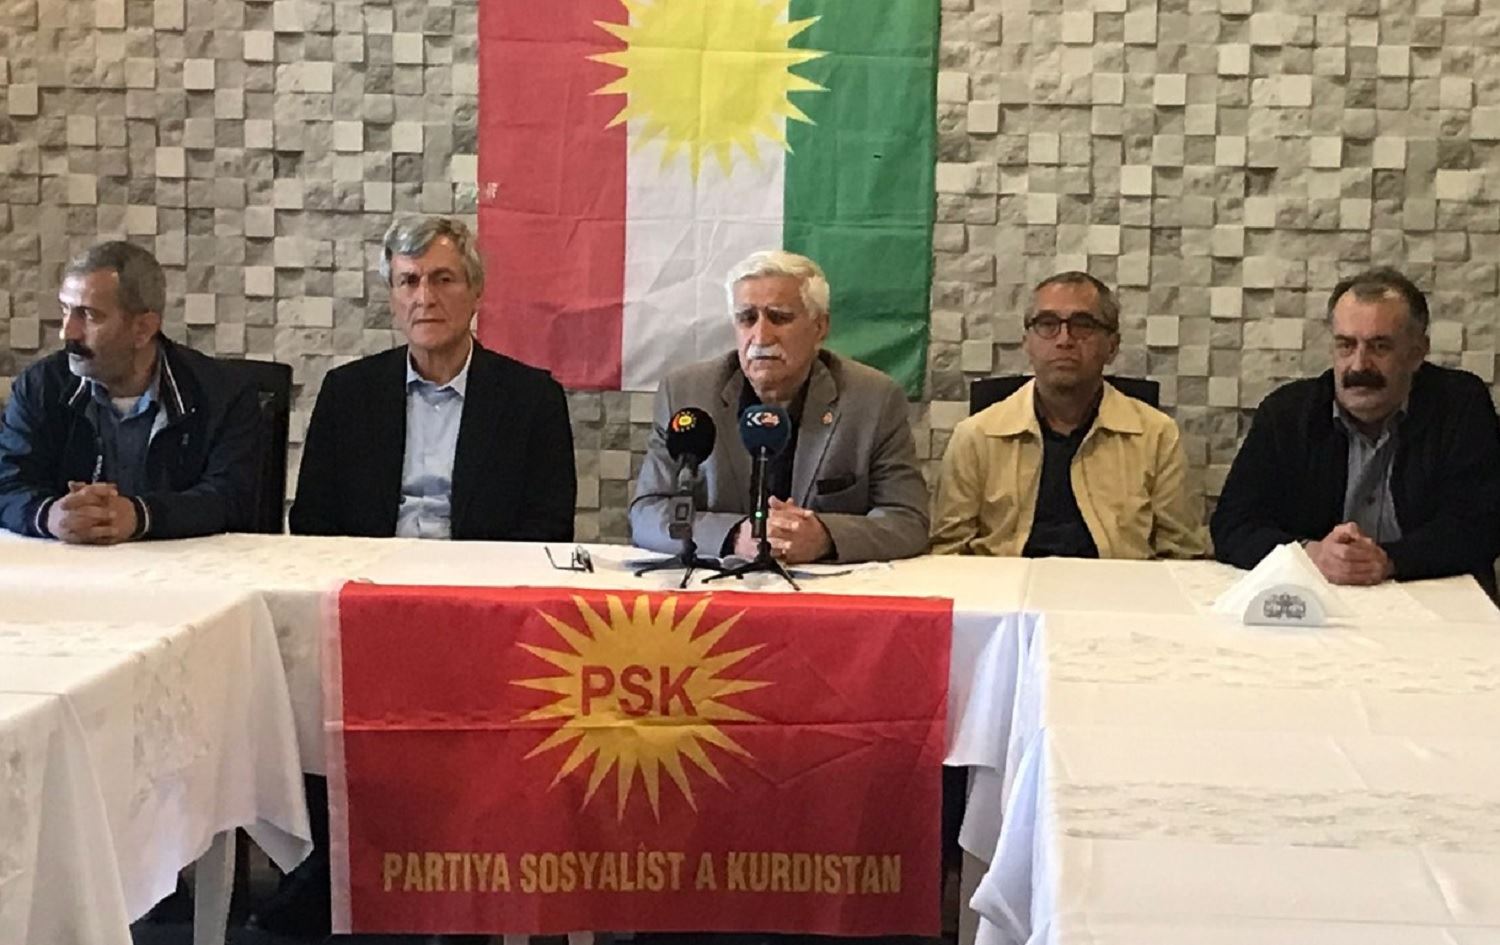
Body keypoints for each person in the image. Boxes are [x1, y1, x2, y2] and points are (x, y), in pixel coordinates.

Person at [629, 250, 929, 564]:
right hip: (718, 585)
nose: (761, 336)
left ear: (820, 327)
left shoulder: (873, 399)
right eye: (747, 318)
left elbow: (908, 521)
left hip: (823, 587)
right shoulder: (687, 393)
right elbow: (647, 513)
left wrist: (825, 536)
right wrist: (733, 536)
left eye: (780, 317)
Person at [290, 215, 576, 541]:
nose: (425, 298)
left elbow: (550, 529)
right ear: (392, 298)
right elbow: (312, 520)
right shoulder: (346, 393)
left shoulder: (533, 400)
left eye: (443, 279)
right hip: (370, 568)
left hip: (479, 571)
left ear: (477, 293)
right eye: (409, 281)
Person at [1212, 266, 1500, 589]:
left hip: (1432, 596)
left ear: (1416, 353)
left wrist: (1389, 560)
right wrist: (1310, 554)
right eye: (1346, 345)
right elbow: (1232, 525)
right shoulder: (1286, 414)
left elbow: (1483, 525)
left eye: (1380, 347)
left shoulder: (1460, 406)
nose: (1359, 365)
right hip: (1317, 597)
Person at [931, 271, 1206, 559]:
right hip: (1006, 585)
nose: (1064, 339)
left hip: (1115, 585)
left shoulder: (1157, 436)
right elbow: (948, 552)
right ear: (1027, 343)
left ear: (1112, 346)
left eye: (1083, 325)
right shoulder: (976, 436)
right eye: (1047, 324)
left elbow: (1182, 555)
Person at [0, 240, 259, 541]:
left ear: (143, 329)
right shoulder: (40, 386)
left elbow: (233, 498)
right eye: (66, 310)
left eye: (89, 315)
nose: (67, 332)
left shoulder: (223, 394)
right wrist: (49, 515)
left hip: (184, 567)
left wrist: (140, 515)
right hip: (67, 564)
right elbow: (7, 483)